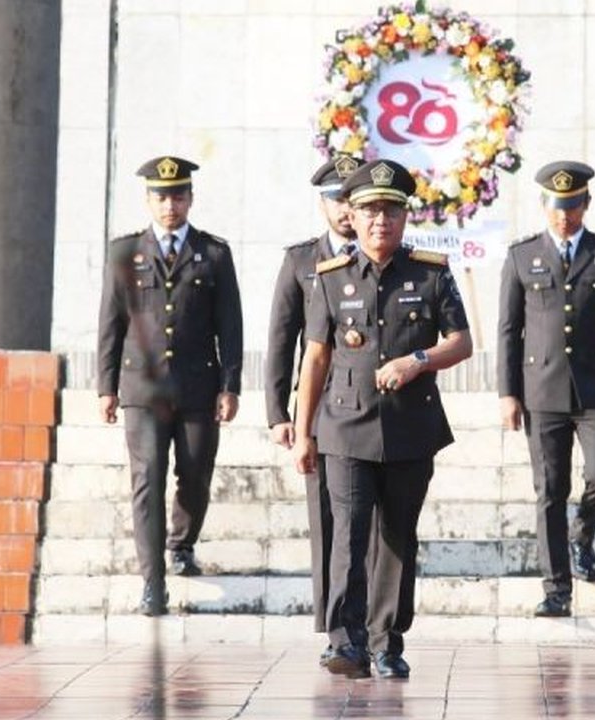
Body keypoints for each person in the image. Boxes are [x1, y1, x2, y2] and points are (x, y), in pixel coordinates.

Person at [292, 159, 473, 679]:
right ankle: (345, 643)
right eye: (370, 210)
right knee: (348, 534)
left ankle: (386, 642)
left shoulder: (430, 273)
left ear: (405, 216)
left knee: (396, 537)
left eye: (391, 211)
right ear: (352, 214)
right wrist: (302, 433)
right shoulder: (331, 278)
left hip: (410, 427)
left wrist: (417, 361)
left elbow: (461, 342)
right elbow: (316, 359)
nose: (380, 221)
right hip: (344, 427)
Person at [495, 160, 595, 618]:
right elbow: (508, 330)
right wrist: (507, 393)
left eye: (574, 206)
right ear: (545, 205)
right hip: (541, 391)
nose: (565, 216)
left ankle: (583, 533)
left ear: (586, 204)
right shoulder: (522, 256)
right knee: (550, 489)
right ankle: (556, 589)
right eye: (558, 207)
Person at [97, 155, 243, 616]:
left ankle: (181, 542)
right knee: (148, 478)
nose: (169, 205)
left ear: (190, 199)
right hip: (142, 388)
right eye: (161, 198)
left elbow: (230, 325)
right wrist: (106, 387)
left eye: (178, 196)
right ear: (148, 200)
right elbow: (110, 322)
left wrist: (230, 384)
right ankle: (153, 582)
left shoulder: (214, 253)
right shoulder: (125, 252)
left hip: (198, 385)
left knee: (195, 474)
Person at [264, 153, 371, 665]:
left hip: (370, 407)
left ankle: (370, 625)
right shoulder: (301, 261)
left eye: (353, 200)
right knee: (329, 522)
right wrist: (279, 414)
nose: (346, 210)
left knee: (368, 525)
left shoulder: (383, 257)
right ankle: (338, 631)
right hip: (321, 410)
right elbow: (281, 340)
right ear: (323, 204)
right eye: (337, 200)